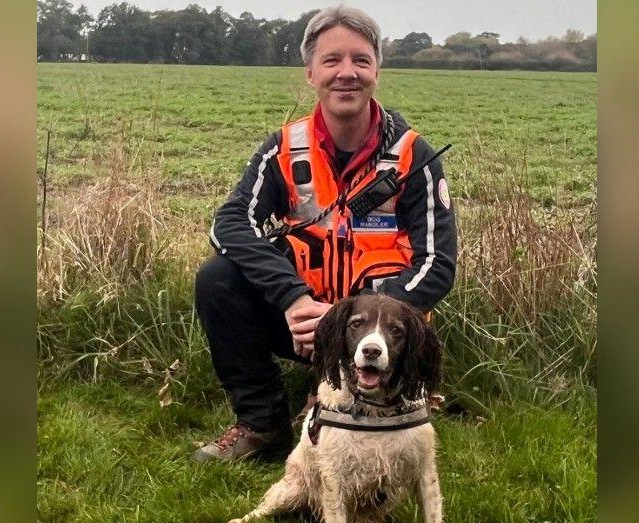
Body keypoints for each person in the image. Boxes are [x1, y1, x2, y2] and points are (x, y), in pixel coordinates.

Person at [192, 5, 457, 462]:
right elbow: (229, 223)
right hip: (304, 324)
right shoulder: (284, 147)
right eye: (332, 60)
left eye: (360, 60)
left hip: (377, 336)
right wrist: (293, 298)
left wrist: (348, 321)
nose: (346, 73)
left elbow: (437, 265)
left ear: (377, 70)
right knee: (217, 278)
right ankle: (262, 423)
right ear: (310, 72)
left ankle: (362, 400)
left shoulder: (414, 156)